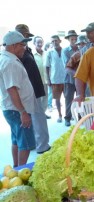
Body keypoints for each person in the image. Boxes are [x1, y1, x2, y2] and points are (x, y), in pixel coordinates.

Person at [0, 31, 36, 166]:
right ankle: (20, 173)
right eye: (22, 45)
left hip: (12, 109)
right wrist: (23, 112)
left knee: (16, 140)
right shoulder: (10, 63)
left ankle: (16, 168)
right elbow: (12, 89)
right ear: (13, 46)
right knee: (25, 144)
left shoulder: (7, 59)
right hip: (17, 110)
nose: (24, 48)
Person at [16, 24, 51, 154]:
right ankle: (42, 146)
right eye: (24, 35)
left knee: (38, 118)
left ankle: (41, 144)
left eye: (26, 35)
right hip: (29, 91)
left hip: (36, 89)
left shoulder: (26, 49)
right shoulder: (18, 53)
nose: (26, 38)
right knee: (37, 119)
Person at [45, 35, 65, 123]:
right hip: (55, 79)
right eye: (52, 41)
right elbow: (47, 67)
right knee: (57, 99)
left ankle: (69, 114)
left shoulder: (65, 51)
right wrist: (48, 80)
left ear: (60, 41)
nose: (54, 43)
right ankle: (60, 115)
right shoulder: (50, 52)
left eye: (56, 41)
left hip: (66, 79)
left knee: (69, 98)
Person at [62, 30, 79, 127]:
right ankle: (67, 118)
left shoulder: (82, 49)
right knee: (69, 99)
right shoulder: (65, 51)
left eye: (75, 39)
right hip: (69, 80)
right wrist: (78, 74)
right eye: (72, 39)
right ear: (68, 39)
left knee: (81, 98)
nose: (74, 40)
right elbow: (67, 66)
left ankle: (81, 117)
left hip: (81, 80)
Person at [32, 36, 51, 119]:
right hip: (37, 81)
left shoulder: (46, 54)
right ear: (34, 43)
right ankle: (38, 115)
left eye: (41, 42)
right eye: (38, 42)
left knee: (45, 98)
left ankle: (42, 113)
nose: (40, 44)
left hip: (46, 80)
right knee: (38, 100)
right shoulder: (32, 54)